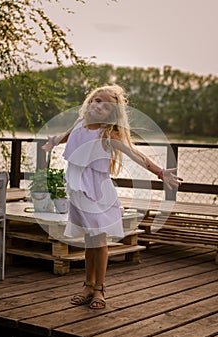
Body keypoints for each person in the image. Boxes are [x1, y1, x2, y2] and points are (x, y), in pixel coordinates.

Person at [42, 84, 183, 309]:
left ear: (112, 114)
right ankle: (87, 285)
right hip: (78, 191)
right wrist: (53, 141)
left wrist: (159, 172)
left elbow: (135, 154)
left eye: (106, 106)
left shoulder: (108, 133)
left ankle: (99, 288)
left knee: (98, 240)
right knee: (89, 240)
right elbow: (67, 136)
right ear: (89, 101)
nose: (99, 106)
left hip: (98, 193)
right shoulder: (79, 124)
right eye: (97, 100)